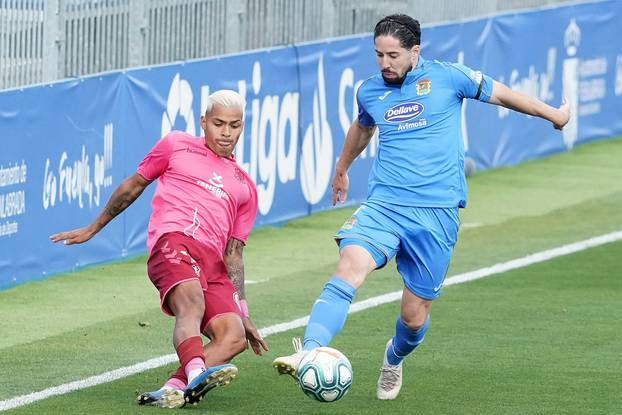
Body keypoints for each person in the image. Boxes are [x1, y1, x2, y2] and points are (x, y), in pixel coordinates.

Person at [273, 14, 569, 400]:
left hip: (436, 213)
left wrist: (554, 115)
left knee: (413, 317)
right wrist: (341, 168)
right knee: (350, 265)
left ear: (415, 52)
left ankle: (394, 357)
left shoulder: (450, 78)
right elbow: (362, 127)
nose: (384, 64)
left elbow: (505, 95)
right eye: (378, 55)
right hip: (385, 205)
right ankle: (309, 349)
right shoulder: (370, 91)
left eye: (392, 55)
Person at [51, 89, 268, 408]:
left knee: (233, 336)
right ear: (203, 122)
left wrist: (243, 310)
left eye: (234, 125)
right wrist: (93, 227)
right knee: (191, 302)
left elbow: (234, 253)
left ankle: (173, 388)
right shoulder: (176, 144)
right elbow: (133, 186)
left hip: (213, 262)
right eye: (218, 123)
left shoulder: (244, 186)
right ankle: (196, 373)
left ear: (242, 126)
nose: (226, 132)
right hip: (173, 242)